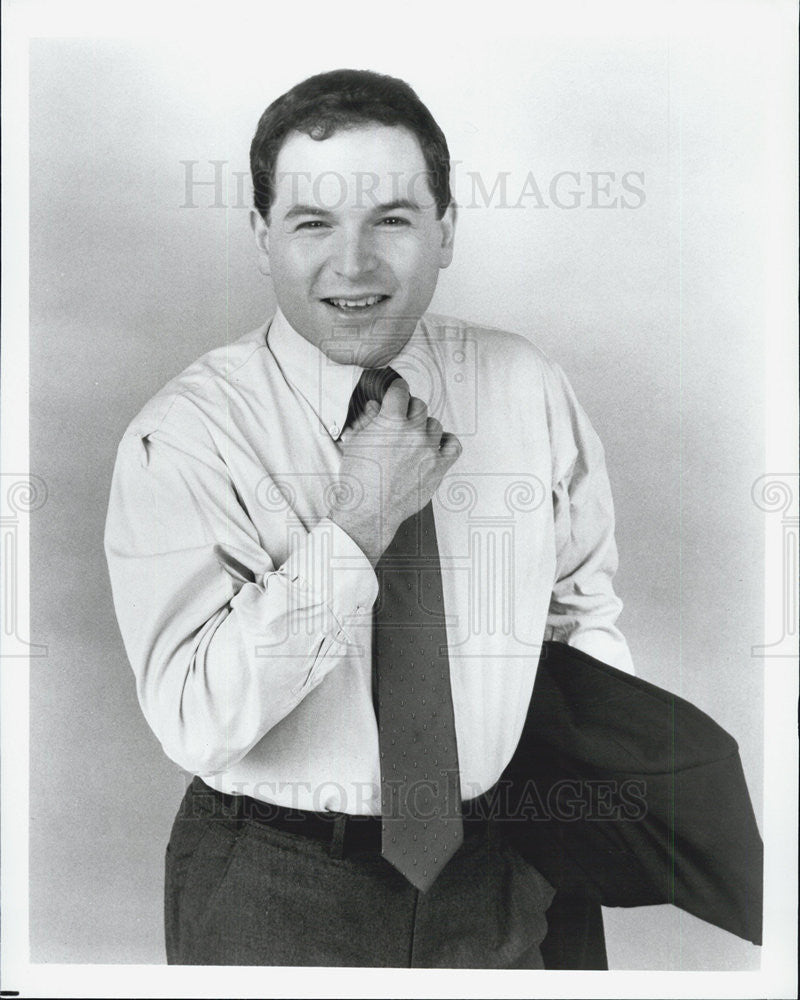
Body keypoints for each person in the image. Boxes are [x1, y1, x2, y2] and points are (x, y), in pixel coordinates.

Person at [104, 68, 634, 968]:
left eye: (391, 218)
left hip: (511, 866)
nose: (354, 265)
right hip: (278, 885)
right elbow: (195, 718)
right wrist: (359, 523)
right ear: (261, 235)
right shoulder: (185, 435)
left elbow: (580, 613)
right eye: (313, 222)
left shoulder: (523, 382)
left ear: (447, 230)